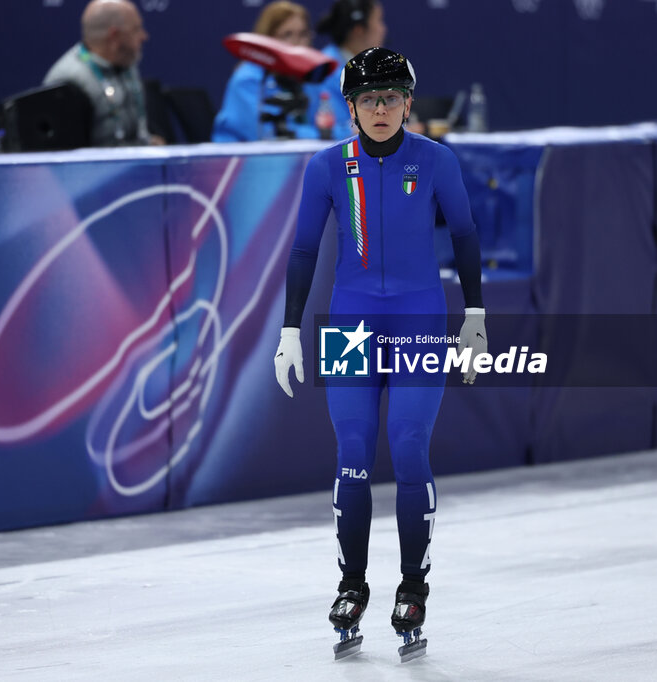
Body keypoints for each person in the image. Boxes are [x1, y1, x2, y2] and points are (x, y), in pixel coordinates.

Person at [272, 48, 486, 657]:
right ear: (351, 108)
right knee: (354, 454)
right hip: (352, 326)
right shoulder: (327, 167)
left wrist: (474, 316)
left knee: (411, 447)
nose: (382, 109)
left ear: (409, 103)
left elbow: (466, 236)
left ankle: (413, 586)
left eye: (392, 98)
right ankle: (351, 586)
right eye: (370, 99)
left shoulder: (437, 161)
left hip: (419, 318)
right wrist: (291, 329)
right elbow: (304, 252)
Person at [44, 0, 162, 147]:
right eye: (136, 29)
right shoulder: (68, 82)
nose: (144, 36)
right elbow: (68, 157)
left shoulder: (126, 62)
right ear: (114, 36)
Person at [212, 2, 329, 142]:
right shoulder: (248, 79)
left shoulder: (309, 77)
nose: (297, 43)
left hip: (297, 157)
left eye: (303, 34)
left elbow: (325, 123)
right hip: (241, 160)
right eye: (287, 35)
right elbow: (267, 134)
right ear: (267, 39)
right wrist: (324, 136)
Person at [314, 0, 387, 141]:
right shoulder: (325, 70)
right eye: (378, 21)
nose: (383, 29)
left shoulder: (363, 67)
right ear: (358, 30)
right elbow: (330, 128)